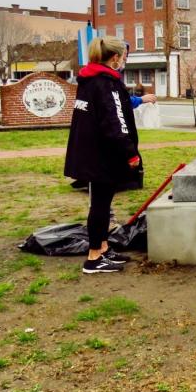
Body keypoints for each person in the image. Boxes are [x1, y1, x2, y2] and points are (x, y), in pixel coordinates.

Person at [65, 37, 143, 274]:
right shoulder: (107, 83)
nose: (124, 62)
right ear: (115, 58)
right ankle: (94, 257)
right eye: (124, 57)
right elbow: (115, 120)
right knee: (100, 206)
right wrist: (130, 153)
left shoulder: (88, 80)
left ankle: (104, 248)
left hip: (89, 152)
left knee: (102, 203)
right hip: (103, 156)